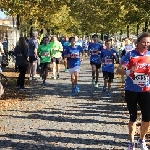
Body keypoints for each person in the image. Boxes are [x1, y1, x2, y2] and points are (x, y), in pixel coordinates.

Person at [116, 32, 150, 150]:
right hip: (131, 90)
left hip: (146, 90)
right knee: (133, 117)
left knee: (147, 117)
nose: (146, 44)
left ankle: (141, 139)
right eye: (144, 42)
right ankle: (131, 142)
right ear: (138, 43)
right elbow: (118, 70)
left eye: (148, 42)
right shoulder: (130, 55)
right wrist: (129, 71)